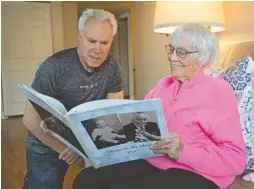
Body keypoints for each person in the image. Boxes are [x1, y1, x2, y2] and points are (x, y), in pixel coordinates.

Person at [73, 23, 247, 189]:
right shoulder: (163, 84)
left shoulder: (218, 91)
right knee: (86, 179)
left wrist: (183, 151)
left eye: (181, 52)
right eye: (171, 50)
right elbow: (137, 125)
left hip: (196, 171)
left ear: (202, 57)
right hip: (153, 160)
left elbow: (235, 159)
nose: (172, 58)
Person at [22, 9, 123, 189]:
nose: (98, 50)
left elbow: (113, 110)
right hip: (47, 139)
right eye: (91, 41)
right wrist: (65, 148)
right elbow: (30, 119)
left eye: (104, 43)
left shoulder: (112, 66)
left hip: (88, 137)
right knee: (42, 184)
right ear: (80, 37)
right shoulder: (54, 67)